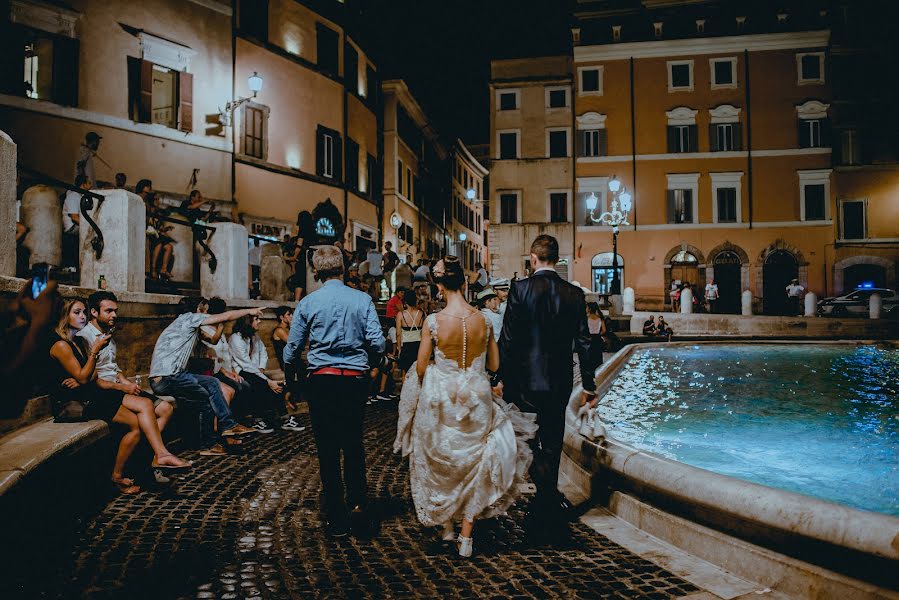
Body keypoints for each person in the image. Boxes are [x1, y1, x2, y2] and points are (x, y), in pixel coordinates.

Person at [395, 256, 536, 558]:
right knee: (475, 463)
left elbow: (420, 368)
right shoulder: (484, 320)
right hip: (477, 398)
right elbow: (495, 364)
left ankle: (446, 528)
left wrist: (438, 366)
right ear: (462, 282)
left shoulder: (433, 322)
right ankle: (466, 538)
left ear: (439, 285)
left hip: (442, 399)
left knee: (444, 462)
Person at [497, 234, 598, 539]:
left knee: (526, 440)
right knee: (553, 442)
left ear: (533, 258)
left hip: (524, 381)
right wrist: (589, 385)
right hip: (558, 381)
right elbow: (585, 342)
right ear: (557, 259)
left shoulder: (521, 288)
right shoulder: (574, 294)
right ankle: (546, 500)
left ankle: (541, 499)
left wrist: (497, 377)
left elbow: (509, 338)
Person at [284, 246, 385, 537]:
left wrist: (293, 378)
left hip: (322, 380)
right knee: (353, 443)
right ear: (342, 268)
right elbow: (377, 343)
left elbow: (293, 349)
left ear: (316, 272)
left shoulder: (307, 303)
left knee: (327, 448)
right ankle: (358, 506)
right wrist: (374, 362)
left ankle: (336, 515)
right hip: (354, 379)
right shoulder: (362, 299)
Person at [50, 299, 191, 495]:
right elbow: (84, 377)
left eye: (83, 312)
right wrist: (92, 356)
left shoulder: (79, 342)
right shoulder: (61, 345)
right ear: (64, 317)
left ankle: (122, 473)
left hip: (87, 395)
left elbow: (90, 376)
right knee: (142, 410)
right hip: (72, 404)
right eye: (77, 312)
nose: (82, 316)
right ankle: (155, 457)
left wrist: (85, 374)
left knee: (136, 424)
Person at [78, 291, 177, 485]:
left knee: (166, 408)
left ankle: (150, 457)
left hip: (116, 386)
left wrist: (126, 382)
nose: (114, 315)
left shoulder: (108, 335)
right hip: (103, 391)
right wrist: (122, 388)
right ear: (94, 312)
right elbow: (92, 378)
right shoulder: (86, 337)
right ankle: (155, 456)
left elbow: (114, 368)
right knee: (143, 412)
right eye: (108, 311)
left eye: (115, 310)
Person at [149, 299, 263, 456]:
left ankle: (211, 442)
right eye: (205, 311)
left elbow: (213, 339)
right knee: (210, 389)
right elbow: (228, 315)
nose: (207, 315)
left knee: (209, 390)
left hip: (170, 377)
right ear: (198, 309)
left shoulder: (184, 325)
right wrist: (249, 311)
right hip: (167, 377)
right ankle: (225, 428)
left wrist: (221, 324)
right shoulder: (189, 318)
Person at [229, 314, 289, 433]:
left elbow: (263, 352)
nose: (260, 321)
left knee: (275, 384)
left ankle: (284, 418)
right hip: (241, 370)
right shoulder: (235, 338)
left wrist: (261, 368)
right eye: (256, 319)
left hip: (255, 369)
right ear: (248, 322)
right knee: (261, 384)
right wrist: (266, 380)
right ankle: (258, 420)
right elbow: (245, 364)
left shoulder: (254, 336)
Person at [62, 174, 91, 270]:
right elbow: (74, 217)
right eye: (89, 183)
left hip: (76, 225)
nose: (90, 185)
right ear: (83, 185)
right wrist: (88, 226)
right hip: (71, 227)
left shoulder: (78, 196)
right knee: (91, 234)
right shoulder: (73, 196)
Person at [394, 289, 425, 377]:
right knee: (418, 372)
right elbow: (424, 332)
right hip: (419, 345)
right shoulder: (422, 314)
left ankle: (405, 390)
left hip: (406, 346)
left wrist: (399, 348)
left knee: (405, 373)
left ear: (405, 301)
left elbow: (398, 334)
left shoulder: (401, 314)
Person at [586, 302, 606, 369]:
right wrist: (598, 334)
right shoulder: (600, 318)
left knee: (590, 355)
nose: (586, 309)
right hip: (597, 338)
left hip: (589, 338)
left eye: (587, 307)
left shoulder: (587, 318)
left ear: (590, 309)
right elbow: (604, 330)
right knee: (598, 355)